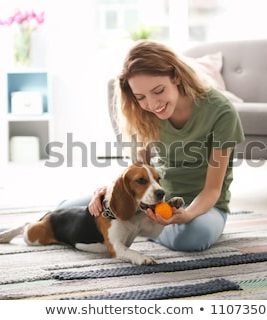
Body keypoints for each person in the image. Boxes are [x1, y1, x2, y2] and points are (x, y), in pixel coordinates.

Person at [60, 40, 244, 252]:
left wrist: (188, 214)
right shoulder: (146, 111)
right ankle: (144, 226)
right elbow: (140, 168)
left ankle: (139, 229)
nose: (152, 104)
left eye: (158, 90)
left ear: (175, 76)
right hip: (152, 199)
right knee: (65, 210)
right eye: (141, 97)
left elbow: (212, 190)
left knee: (193, 237)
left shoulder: (221, 111)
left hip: (203, 207)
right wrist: (112, 191)